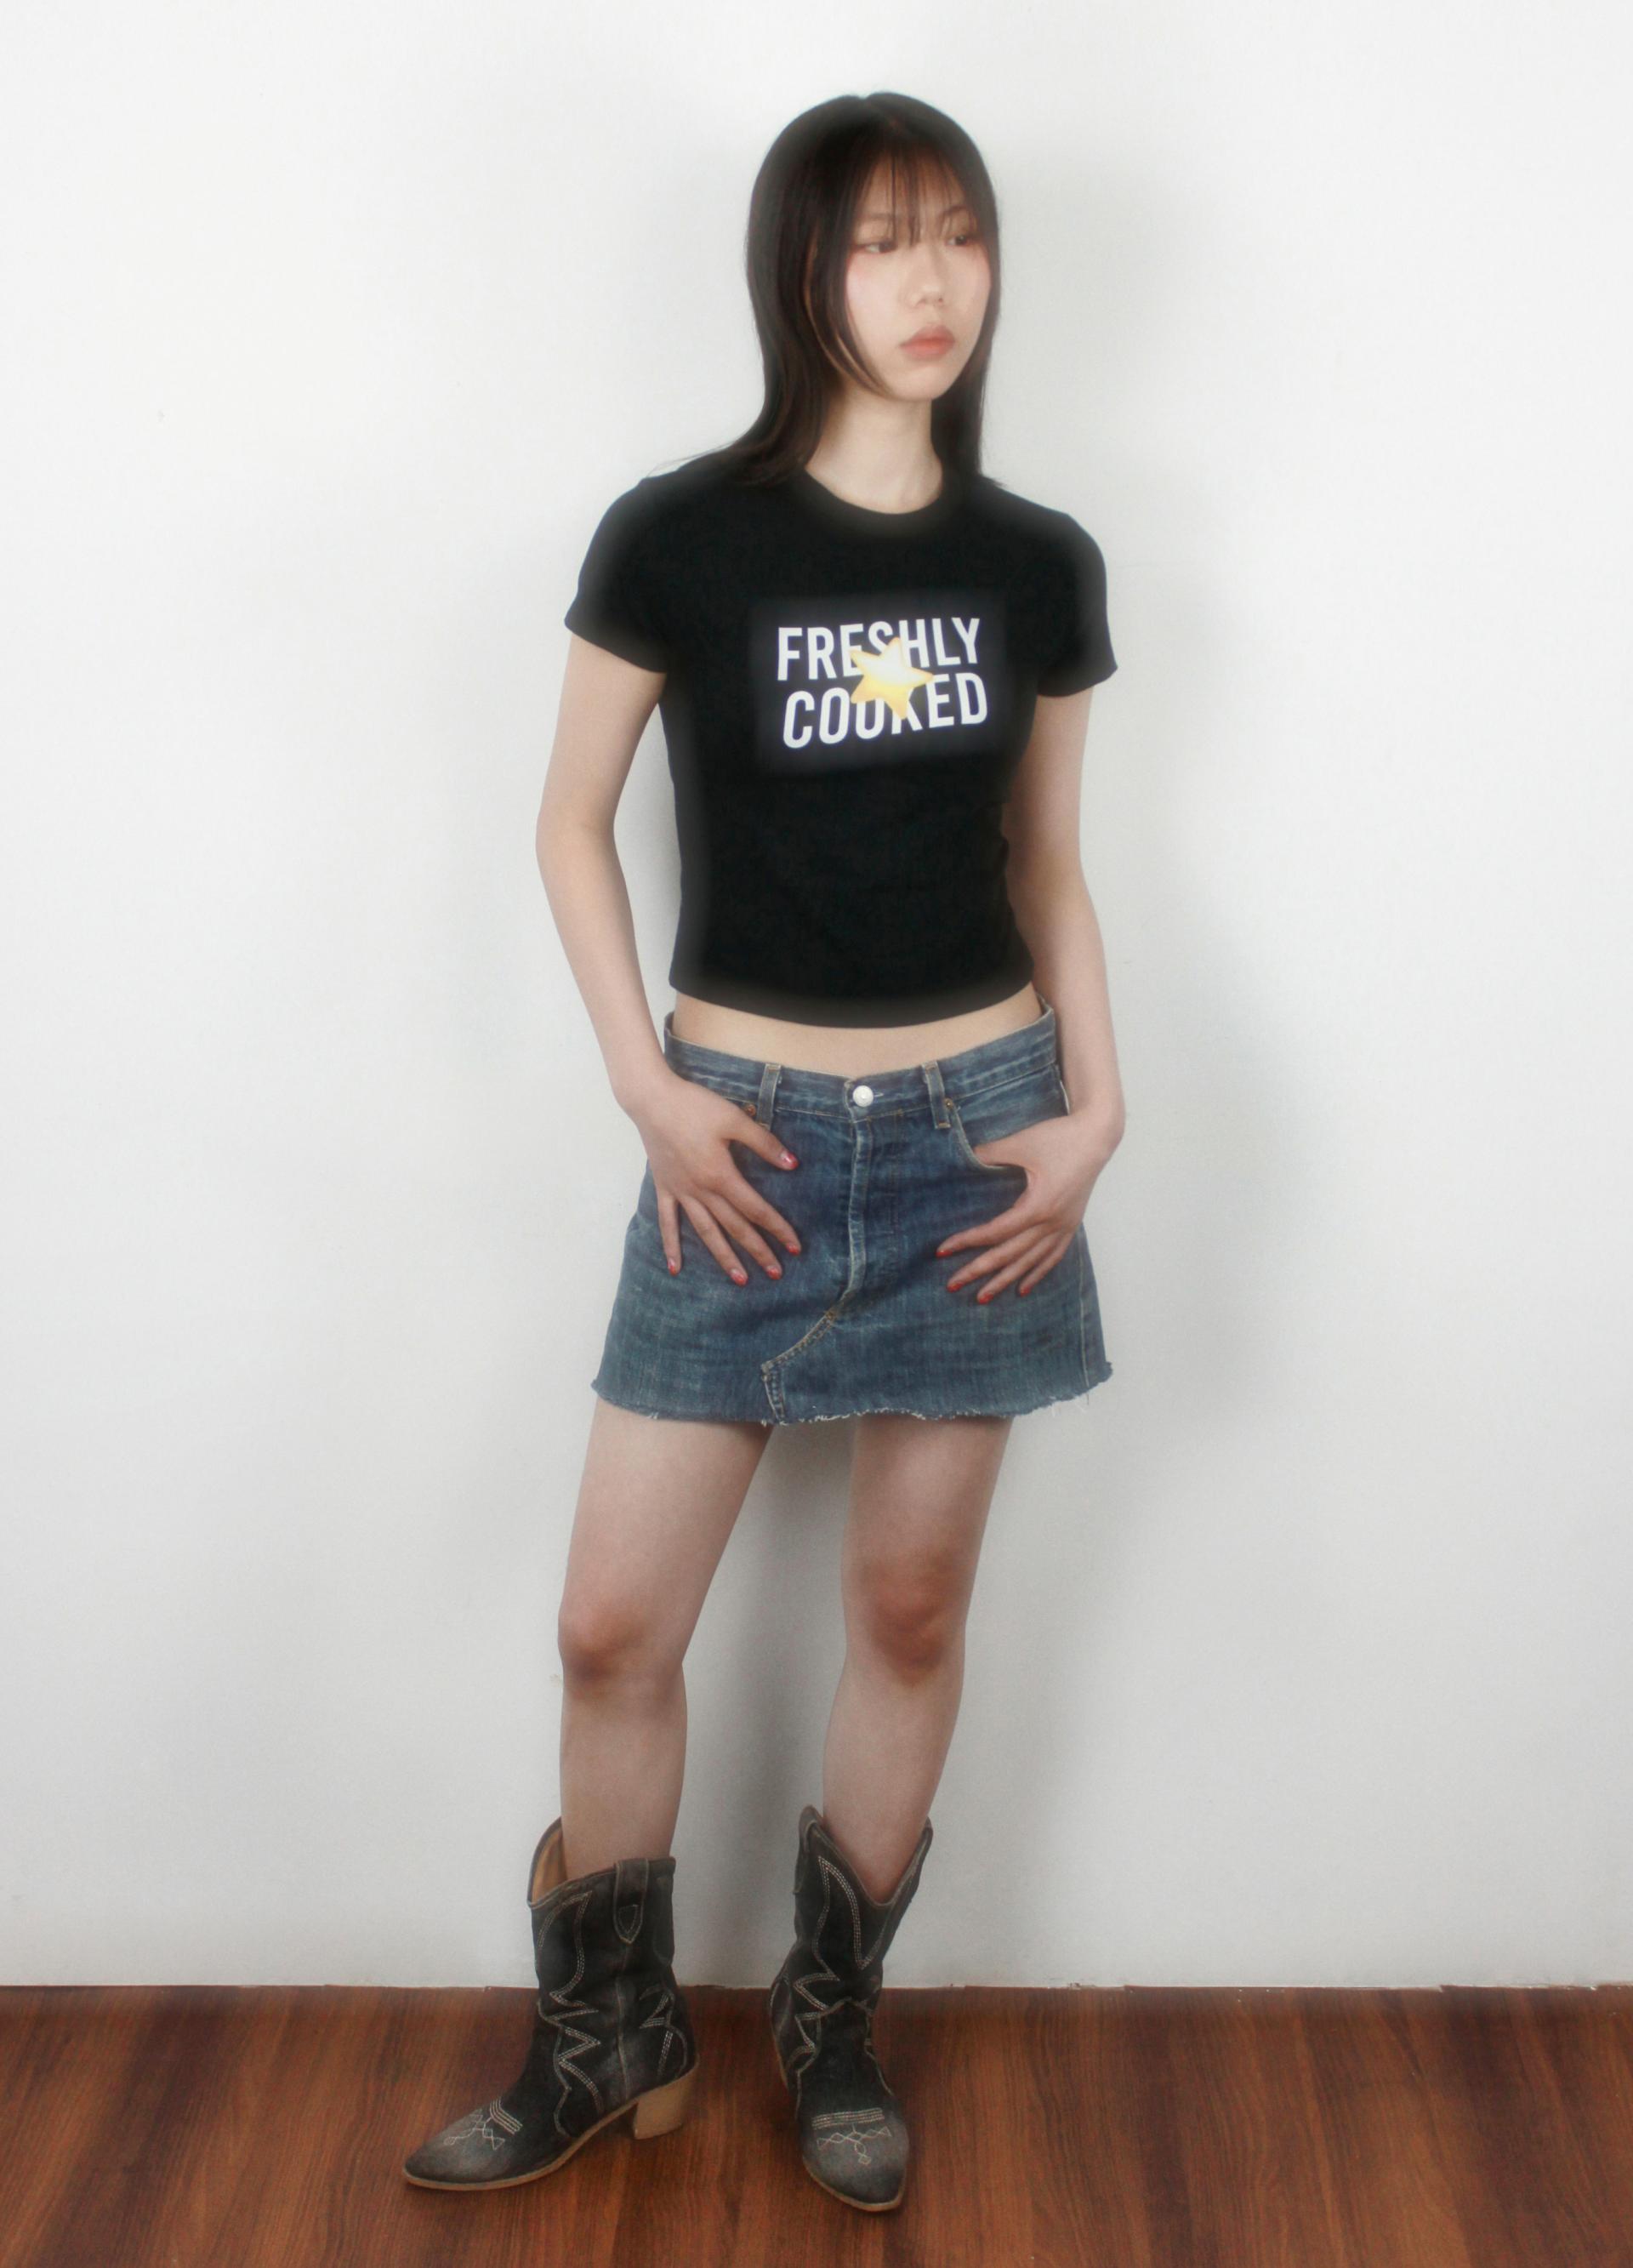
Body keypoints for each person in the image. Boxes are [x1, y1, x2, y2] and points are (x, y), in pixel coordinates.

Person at [402, 89, 1124, 2216]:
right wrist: (646, 1083)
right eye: (878, 240)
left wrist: (1099, 1109)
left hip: (981, 1138)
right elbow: (566, 821)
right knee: (612, 1625)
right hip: (741, 1138)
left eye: (957, 233)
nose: (928, 280)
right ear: (799, 271)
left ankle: (832, 2019)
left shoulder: (1037, 563)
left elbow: (1051, 864)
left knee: (905, 1604)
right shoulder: (681, 538)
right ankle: (610, 2033)